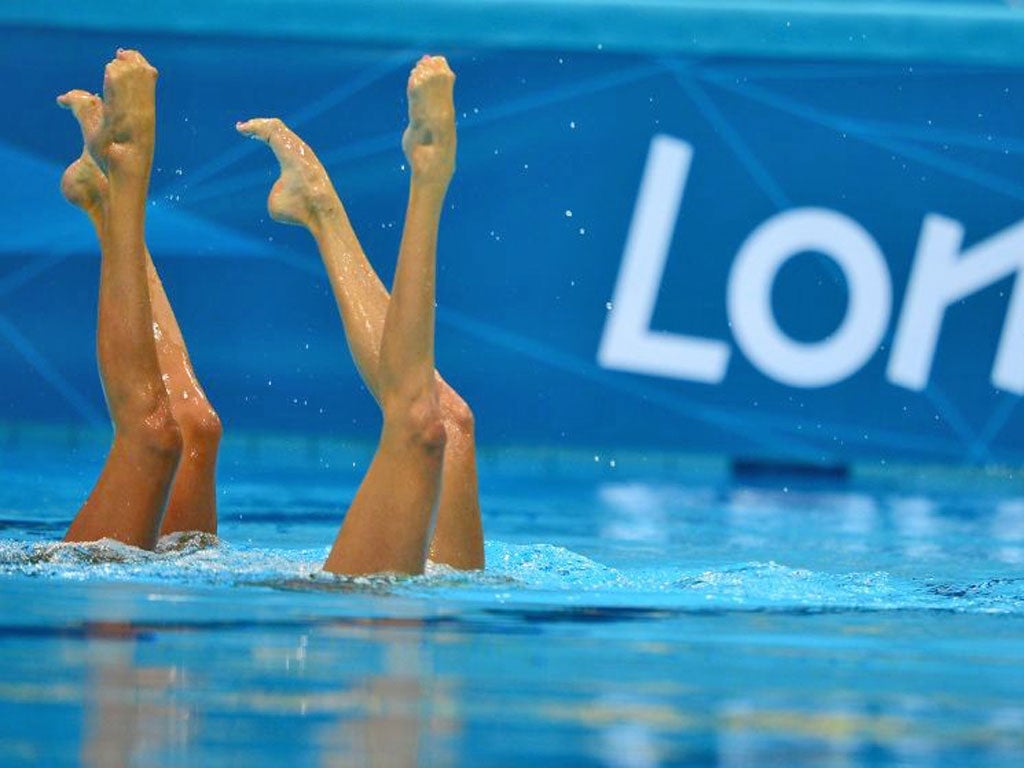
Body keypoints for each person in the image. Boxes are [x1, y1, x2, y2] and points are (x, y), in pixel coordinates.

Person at [238, 54, 484, 575]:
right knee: (447, 422)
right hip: (420, 624)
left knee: (420, 422)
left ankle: (402, 188)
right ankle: (357, 199)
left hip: (349, 621)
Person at [60, 50, 221, 550]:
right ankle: (111, 191)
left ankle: (116, 182)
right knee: (193, 427)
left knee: (153, 436)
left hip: (86, 592)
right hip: (142, 598)